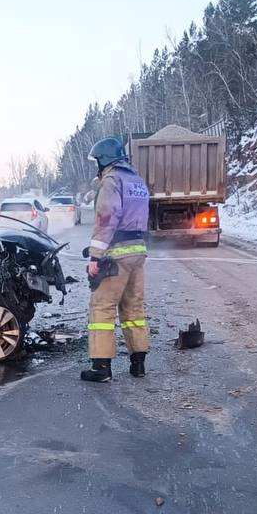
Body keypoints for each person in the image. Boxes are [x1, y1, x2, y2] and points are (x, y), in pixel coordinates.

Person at [81, 137, 151, 383]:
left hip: (116, 253)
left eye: (97, 161)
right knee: (134, 308)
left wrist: (95, 257)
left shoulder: (112, 181)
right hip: (137, 251)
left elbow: (106, 219)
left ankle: (101, 368)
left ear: (104, 159)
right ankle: (138, 363)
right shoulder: (136, 181)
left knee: (102, 307)